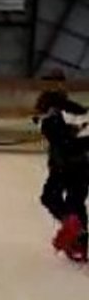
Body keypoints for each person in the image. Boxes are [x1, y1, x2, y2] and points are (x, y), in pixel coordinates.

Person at [35, 85, 89, 262]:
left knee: (50, 197)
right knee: (76, 201)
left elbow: (61, 142)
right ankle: (80, 242)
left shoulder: (52, 119)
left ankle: (72, 226)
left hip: (63, 166)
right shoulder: (80, 113)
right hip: (82, 166)